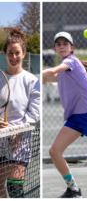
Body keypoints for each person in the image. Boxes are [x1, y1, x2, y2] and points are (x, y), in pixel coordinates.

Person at [42, 32, 87, 198]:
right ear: (54, 49)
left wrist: (41, 74)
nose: (61, 46)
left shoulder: (71, 61)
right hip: (75, 118)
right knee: (54, 151)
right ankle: (74, 190)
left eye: (65, 43)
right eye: (58, 44)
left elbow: (52, 71)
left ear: (71, 48)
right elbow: (54, 77)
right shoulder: (66, 69)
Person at [0, 26, 40, 198]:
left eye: (17, 53)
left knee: (15, 191)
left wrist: (18, 132)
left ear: (24, 53)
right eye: (10, 53)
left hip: (20, 141)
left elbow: (34, 114)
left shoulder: (32, 81)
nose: (14, 57)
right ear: (5, 54)